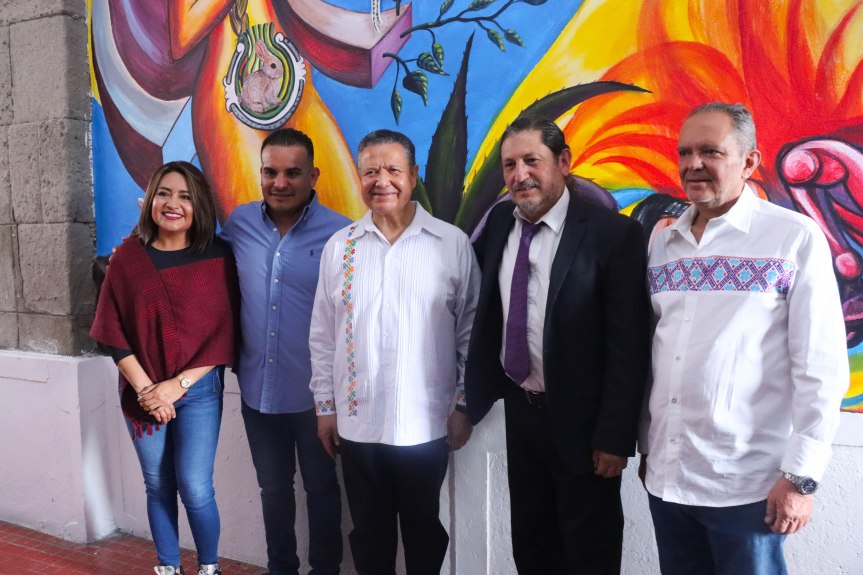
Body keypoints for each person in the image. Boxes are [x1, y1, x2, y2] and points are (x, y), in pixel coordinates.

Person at [641, 102, 849, 574]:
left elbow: (821, 367)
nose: (693, 164)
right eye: (685, 152)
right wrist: (648, 447)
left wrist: (802, 478)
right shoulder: (663, 244)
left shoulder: (792, 238)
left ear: (749, 161)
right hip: (669, 480)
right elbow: (655, 351)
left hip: (749, 487)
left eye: (710, 151)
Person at [463, 117, 651, 574]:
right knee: (532, 548)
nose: (519, 174)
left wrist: (615, 437)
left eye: (532, 160)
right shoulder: (499, 228)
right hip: (522, 414)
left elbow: (629, 345)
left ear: (563, 162)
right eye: (510, 164)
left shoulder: (613, 234)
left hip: (587, 427)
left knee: (589, 555)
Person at [309, 129, 480, 575]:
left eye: (393, 170)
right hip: (357, 425)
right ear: (359, 177)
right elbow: (322, 335)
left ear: (413, 175)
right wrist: (325, 408)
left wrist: (463, 406)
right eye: (370, 171)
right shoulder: (341, 247)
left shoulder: (450, 244)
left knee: (424, 531)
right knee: (369, 534)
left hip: (425, 425)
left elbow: (470, 334)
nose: (381, 181)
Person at [91, 161, 239, 575]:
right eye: (165, 193)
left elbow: (224, 333)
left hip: (199, 390)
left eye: (185, 197)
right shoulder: (128, 258)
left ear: (199, 205)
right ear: (150, 199)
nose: (173, 204)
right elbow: (112, 331)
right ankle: (168, 567)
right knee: (158, 484)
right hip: (142, 388)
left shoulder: (218, 257)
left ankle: (209, 567)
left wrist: (178, 384)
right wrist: (147, 391)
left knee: (195, 486)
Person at [220, 128, 349, 575]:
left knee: (322, 489)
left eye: (292, 173)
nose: (280, 183)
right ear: (260, 173)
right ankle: (281, 569)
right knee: (273, 491)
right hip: (258, 393)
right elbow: (198, 263)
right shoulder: (238, 224)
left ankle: (326, 570)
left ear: (313, 176)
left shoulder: (341, 234)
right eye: (270, 172)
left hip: (317, 398)